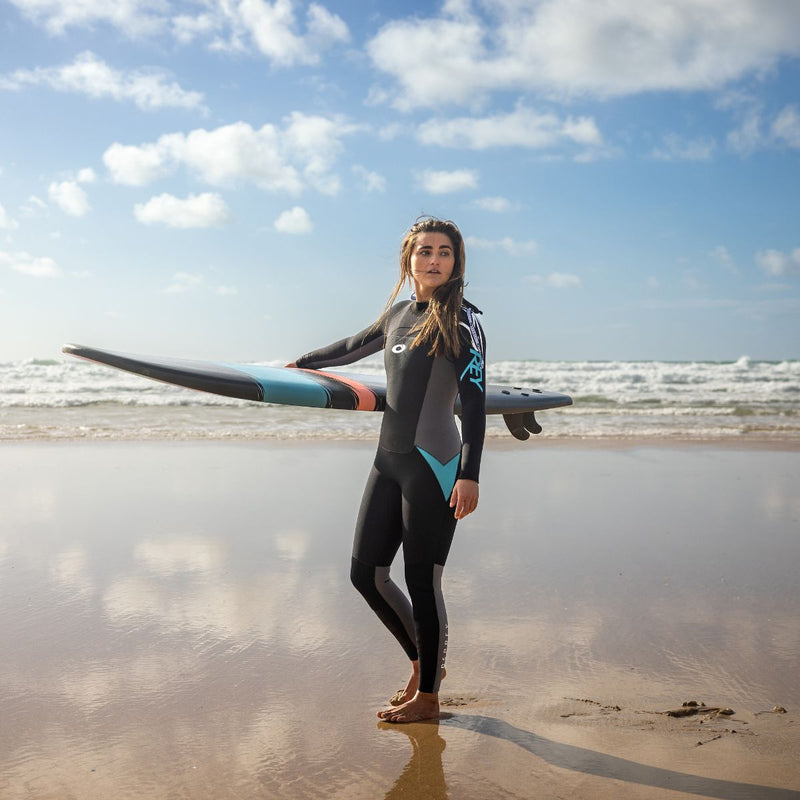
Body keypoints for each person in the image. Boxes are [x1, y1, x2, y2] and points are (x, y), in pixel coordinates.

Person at [288, 217, 486, 723]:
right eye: (425, 251)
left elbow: (475, 401)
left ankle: (429, 699)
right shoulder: (397, 314)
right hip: (388, 461)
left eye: (445, 252)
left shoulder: (462, 320)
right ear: (408, 259)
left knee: (423, 581)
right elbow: (348, 348)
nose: (434, 260)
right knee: (366, 574)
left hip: (436, 465)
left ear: (456, 261)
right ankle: (423, 666)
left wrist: (470, 473)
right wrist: (295, 367)